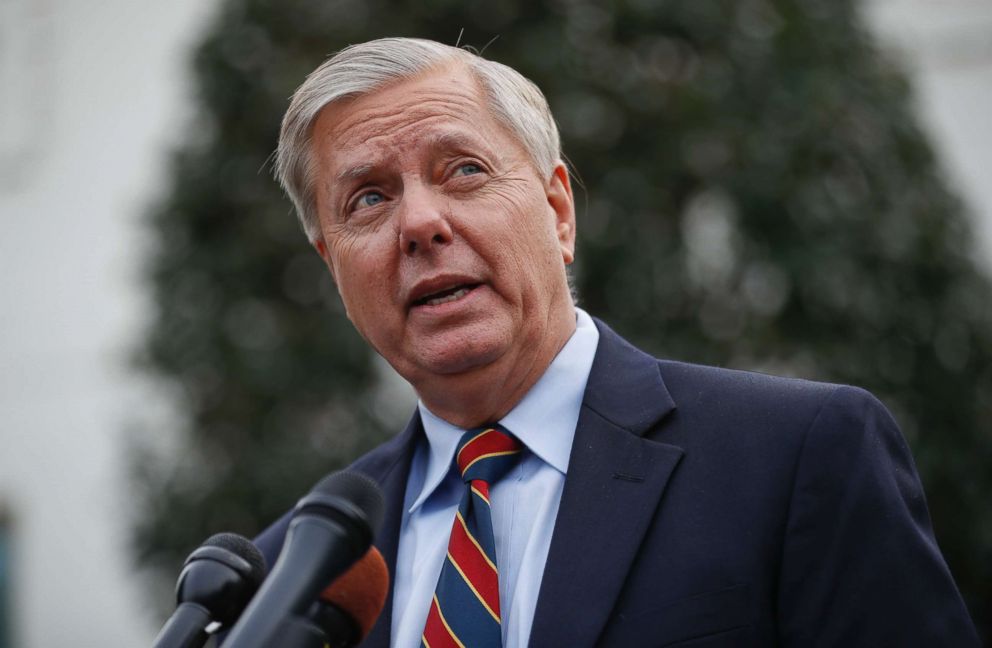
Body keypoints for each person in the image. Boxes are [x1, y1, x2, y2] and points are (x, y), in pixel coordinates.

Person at [253, 37, 979, 647]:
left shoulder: (798, 458)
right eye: (369, 199)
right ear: (333, 266)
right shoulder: (294, 572)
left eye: (464, 171)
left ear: (558, 212)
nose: (420, 223)